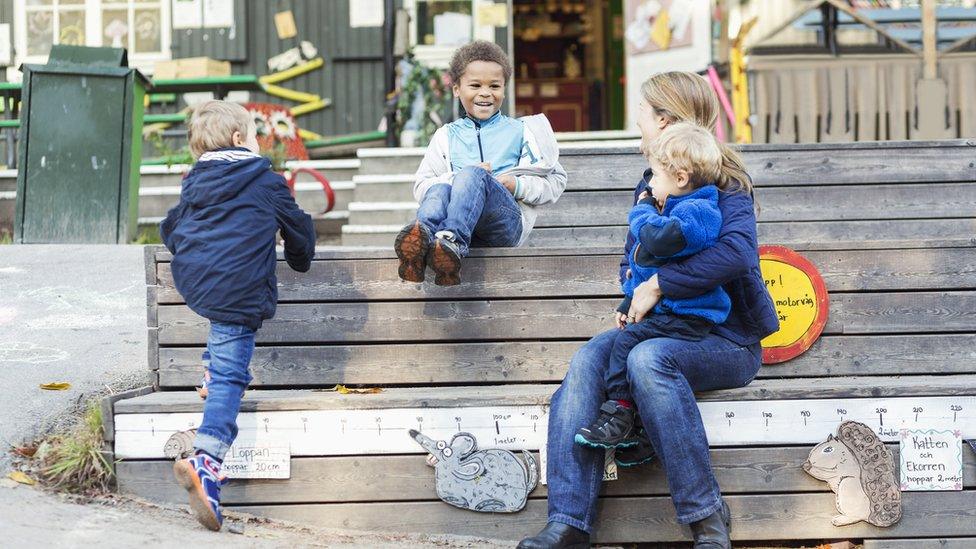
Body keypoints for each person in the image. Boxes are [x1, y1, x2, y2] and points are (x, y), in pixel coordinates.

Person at [518, 72, 779, 549]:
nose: (636, 121)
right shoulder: (652, 183)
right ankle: (569, 522)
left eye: (641, 111)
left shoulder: (725, 184)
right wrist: (634, 293)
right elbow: (630, 259)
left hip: (725, 340)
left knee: (647, 360)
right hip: (663, 327)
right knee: (588, 360)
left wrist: (660, 283)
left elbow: (738, 254)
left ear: (662, 119)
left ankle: (706, 517)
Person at [159, 100, 316, 531]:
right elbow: (299, 227)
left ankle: (212, 371)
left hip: (197, 281)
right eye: (252, 133)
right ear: (238, 139)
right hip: (238, 289)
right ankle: (207, 461)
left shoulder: (196, 182)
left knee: (223, 335)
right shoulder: (264, 179)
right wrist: (300, 257)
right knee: (232, 374)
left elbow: (171, 227)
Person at [574, 122, 730, 450]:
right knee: (620, 343)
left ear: (681, 178)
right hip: (669, 310)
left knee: (627, 345)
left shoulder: (698, 212)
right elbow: (646, 268)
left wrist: (641, 210)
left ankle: (620, 412)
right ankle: (637, 429)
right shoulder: (677, 207)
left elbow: (659, 241)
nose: (651, 184)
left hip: (689, 317)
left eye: (656, 176)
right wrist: (626, 303)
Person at [395, 40, 566, 286]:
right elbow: (422, 187)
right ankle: (422, 243)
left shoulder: (521, 131)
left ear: (504, 89)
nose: (485, 93)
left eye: (494, 86)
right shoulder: (446, 135)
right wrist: (457, 177)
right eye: (475, 85)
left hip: (504, 224)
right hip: (459, 222)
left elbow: (556, 182)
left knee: (471, 176)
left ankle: (450, 241)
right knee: (442, 186)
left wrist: (515, 185)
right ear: (456, 89)